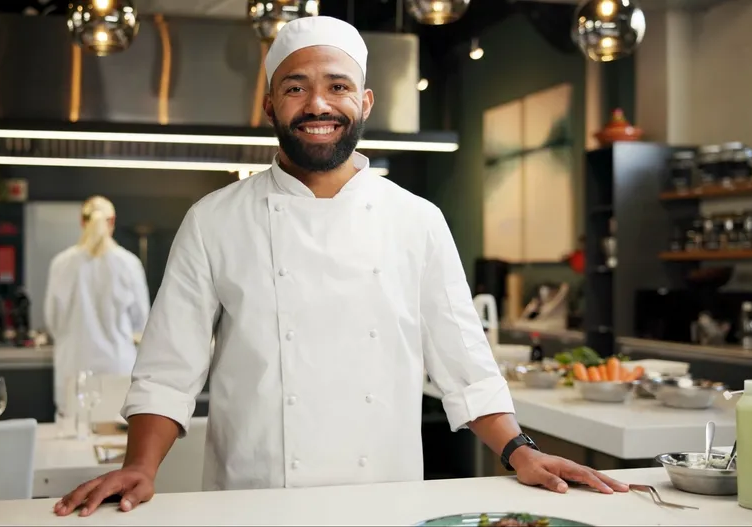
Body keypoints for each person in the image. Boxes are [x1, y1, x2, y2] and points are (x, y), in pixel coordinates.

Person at [54, 17, 628, 517]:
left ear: (365, 102)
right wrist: (141, 467)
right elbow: (166, 370)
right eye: (296, 88)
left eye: (337, 86)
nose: (318, 105)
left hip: (385, 497)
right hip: (254, 499)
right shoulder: (213, 221)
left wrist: (521, 453)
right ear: (270, 104)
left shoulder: (417, 220)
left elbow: (468, 369)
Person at [44, 196, 150, 415]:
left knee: (72, 442)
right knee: (116, 443)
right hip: (117, 369)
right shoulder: (129, 264)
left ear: (81, 222)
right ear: (112, 222)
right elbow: (141, 321)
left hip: (74, 370)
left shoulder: (61, 264)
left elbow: (52, 321)